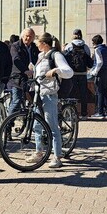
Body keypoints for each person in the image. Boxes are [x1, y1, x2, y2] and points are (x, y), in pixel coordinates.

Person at [32, 33, 73, 168]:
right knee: (37, 125)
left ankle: (57, 156)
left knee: (52, 126)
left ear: (44, 43)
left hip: (49, 94)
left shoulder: (55, 55)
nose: (36, 44)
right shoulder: (40, 56)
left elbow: (68, 71)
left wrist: (56, 70)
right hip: (38, 94)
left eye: (38, 42)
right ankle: (39, 152)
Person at [8, 28, 38, 115]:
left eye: (31, 36)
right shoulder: (15, 46)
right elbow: (16, 59)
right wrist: (25, 70)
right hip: (17, 78)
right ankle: (7, 126)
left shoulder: (33, 47)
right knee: (16, 101)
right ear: (22, 36)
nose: (28, 38)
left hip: (31, 78)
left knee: (33, 101)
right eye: (27, 36)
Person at [64, 32, 93, 119]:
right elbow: (89, 58)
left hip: (72, 74)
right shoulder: (85, 46)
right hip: (83, 73)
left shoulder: (69, 45)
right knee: (83, 94)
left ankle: (72, 114)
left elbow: (65, 58)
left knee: (72, 93)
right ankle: (84, 114)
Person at [88, 35, 107, 119]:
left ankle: (100, 112)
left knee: (99, 92)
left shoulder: (97, 49)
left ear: (94, 42)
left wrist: (94, 72)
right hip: (106, 72)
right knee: (105, 92)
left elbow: (99, 62)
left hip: (100, 73)